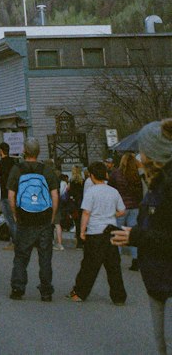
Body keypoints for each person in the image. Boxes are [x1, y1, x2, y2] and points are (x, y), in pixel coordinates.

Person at [112, 118, 172, 352]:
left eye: (142, 149)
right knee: (162, 345)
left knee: (166, 343)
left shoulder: (168, 185)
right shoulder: (158, 182)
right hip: (158, 277)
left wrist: (136, 237)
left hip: (166, 276)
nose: (139, 154)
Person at [7, 138, 59, 301]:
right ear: (38, 152)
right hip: (44, 219)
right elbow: (55, 195)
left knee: (21, 255)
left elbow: (11, 195)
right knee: (45, 256)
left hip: (25, 219)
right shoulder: (46, 170)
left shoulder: (17, 169)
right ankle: (46, 291)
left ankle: (18, 288)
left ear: (24, 151)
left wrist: (15, 213)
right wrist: (52, 216)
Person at [69, 159, 126, 303]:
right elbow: (122, 210)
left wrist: (82, 231)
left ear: (92, 175)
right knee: (113, 266)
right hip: (111, 230)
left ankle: (80, 293)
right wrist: (112, 215)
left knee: (89, 265)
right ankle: (119, 296)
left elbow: (86, 213)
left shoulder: (91, 192)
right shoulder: (113, 191)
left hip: (95, 231)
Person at [111, 151, 144, 267]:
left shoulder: (116, 174)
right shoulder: (136, 174)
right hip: (134, 206)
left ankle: (116, 260)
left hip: (120, 207)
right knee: (133, 233)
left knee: (119, 233)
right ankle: (135, 260)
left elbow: (111, 189)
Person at [0, 144, 15, 243]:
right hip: (14, 192)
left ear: (1, 150)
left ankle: (14, 241)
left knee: (9, 218)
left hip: (4, 192)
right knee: (14, 217)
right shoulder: (13, 162)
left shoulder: (0, 163)